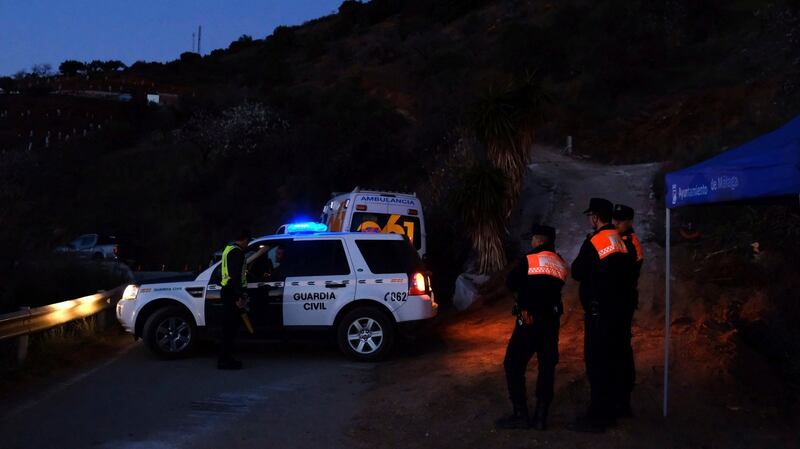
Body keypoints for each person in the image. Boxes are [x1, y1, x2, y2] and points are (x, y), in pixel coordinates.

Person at [496, 225, 568, 431]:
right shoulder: (560, 262)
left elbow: (511, 283)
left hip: (529, 321)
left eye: (533, 239)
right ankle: (541, 417)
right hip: (551, 322)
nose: (532, 242)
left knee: (513, 363)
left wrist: (523, 304)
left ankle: (520, 413)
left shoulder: (529, 260)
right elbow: (551, 288)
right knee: (546, 367)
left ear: (538, 240)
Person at [568, 198, 631, 433]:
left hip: (599, 313)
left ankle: (597, 416)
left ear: (595, 217)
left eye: (590, 216)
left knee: (596, 363)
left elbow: (577, 272)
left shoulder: (594, 241)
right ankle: (612, 410)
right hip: (617, 311)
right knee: (613, 361)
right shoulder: (619, 240)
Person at [613, 203, 644, 417]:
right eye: (614, 220)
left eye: (620, 220)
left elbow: (628, 274)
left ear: (630, 221)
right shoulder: (619, 239)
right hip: (618, 301)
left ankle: (623, 399)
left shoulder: (631, 243)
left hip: (623, 302)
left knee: (621, 348)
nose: (616, 224)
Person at [218, 229, 251, 370]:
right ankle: (225, 360)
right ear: (243, 239)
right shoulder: (237, 253)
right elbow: (235, 275)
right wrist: (239, 296)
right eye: (248, 241)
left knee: (227, 328)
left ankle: (225, 358)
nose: (248, 244)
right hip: (232, 293)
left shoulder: (228, 249)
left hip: (227, 291)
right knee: (229, 329)